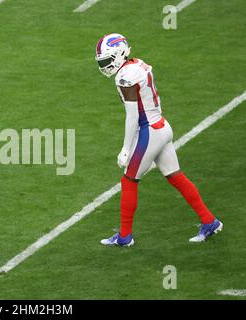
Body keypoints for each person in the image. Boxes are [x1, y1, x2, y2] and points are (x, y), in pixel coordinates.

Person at [95, 33, 222, 246]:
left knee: (128, 180)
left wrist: (126, 148)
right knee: (175, 176)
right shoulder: (137, 65)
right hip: (162, 126)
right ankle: (210, 221)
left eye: (107, 60)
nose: (105, 65)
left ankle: (125, 237)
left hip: (149, 131)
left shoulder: (125, 76)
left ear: (119, 54)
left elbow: (133, 115)